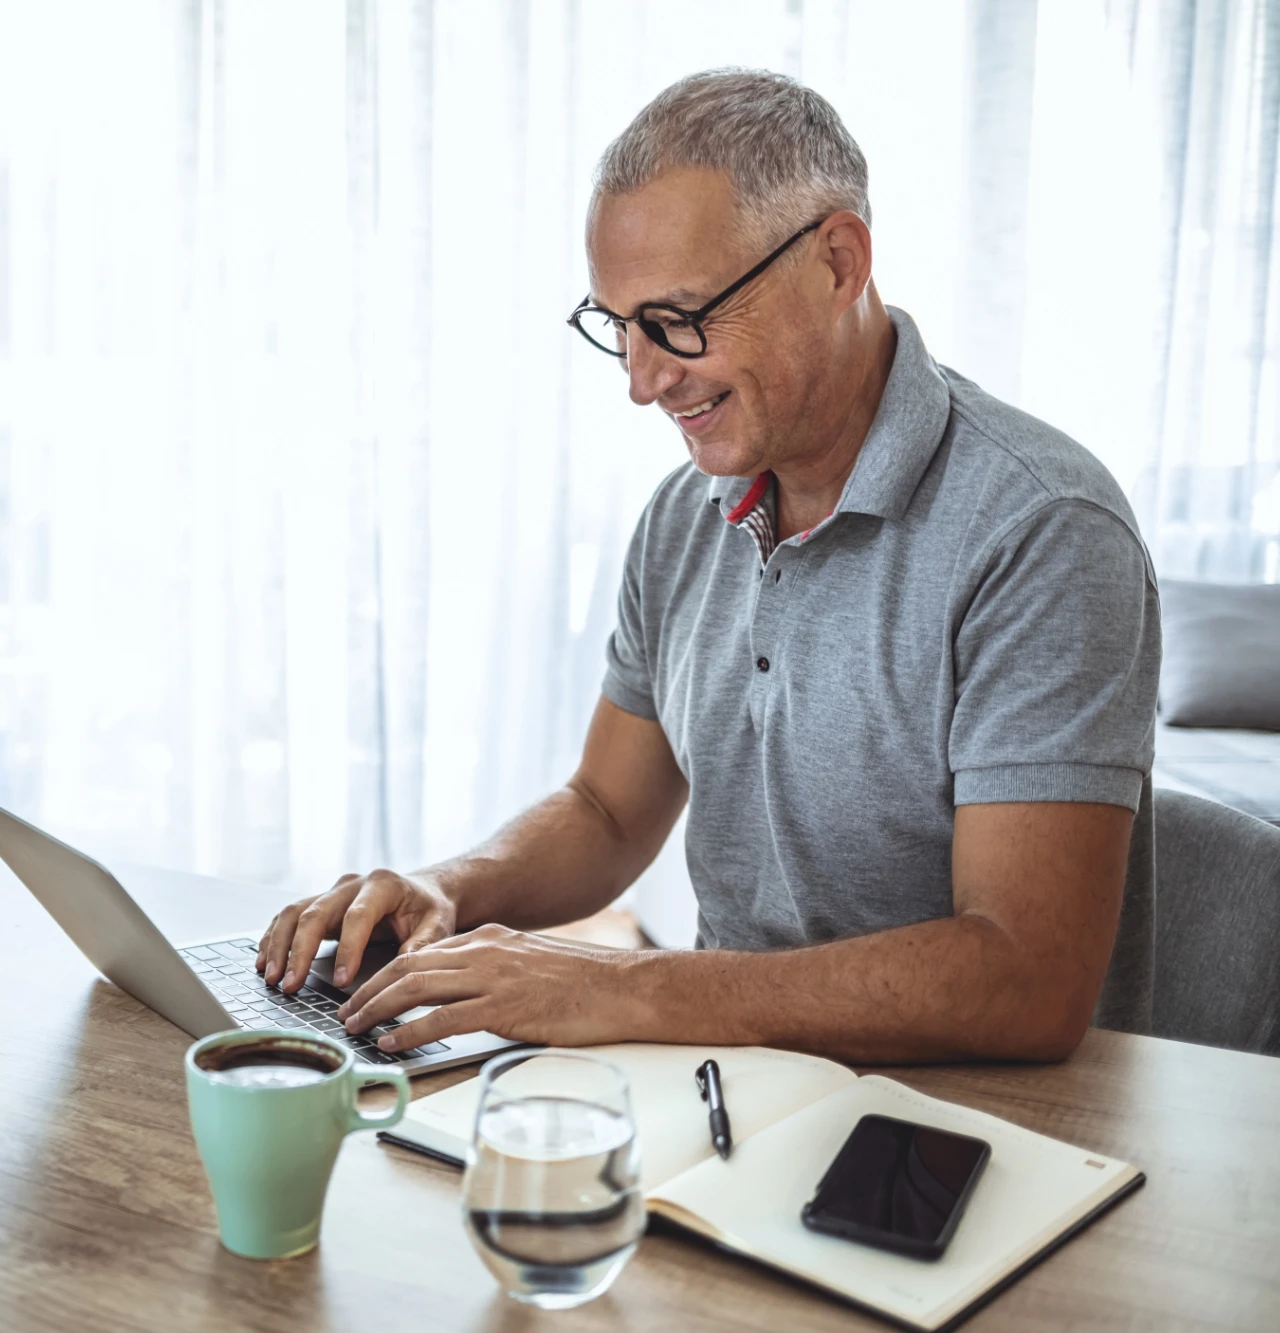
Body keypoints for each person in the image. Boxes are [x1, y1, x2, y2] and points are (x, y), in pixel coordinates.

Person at [256, 68, 1160, 1065]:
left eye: (677, 319)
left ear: (837, 261)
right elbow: (605, 810)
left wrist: (624, 985)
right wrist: (449, 889)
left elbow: (1021, 979)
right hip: (725, 1081)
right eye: (619, 326)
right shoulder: (685, 514)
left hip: (970, 1119)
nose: (643, 382)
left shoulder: (1042, 530)